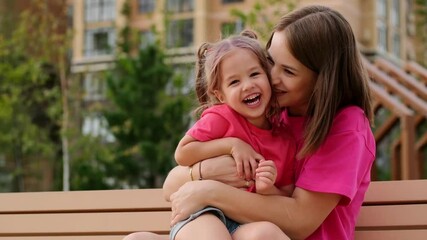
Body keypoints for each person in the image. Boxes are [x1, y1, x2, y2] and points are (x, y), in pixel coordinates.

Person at [124, 4, 375, 240]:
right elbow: (171, 186)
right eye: (270, 62)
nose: (271, 77)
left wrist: (209, 191)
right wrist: (203, 172)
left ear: (324, 79)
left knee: (261, 236)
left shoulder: (346, 127)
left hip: (268, 235)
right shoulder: (271, 115)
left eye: (288, 71)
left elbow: (300, 220)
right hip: (230, 229)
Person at [171, 30, 295, 240]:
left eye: (255, 74)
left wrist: (269, 188)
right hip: (204, 213)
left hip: (245, 221)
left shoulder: (285, 142)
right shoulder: (221, 118)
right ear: (220, 95)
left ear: (268, 77)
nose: (248, 86)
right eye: (234, 82)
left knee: (268, 233)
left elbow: (287, 195)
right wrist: (231, 144)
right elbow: (183, 153)